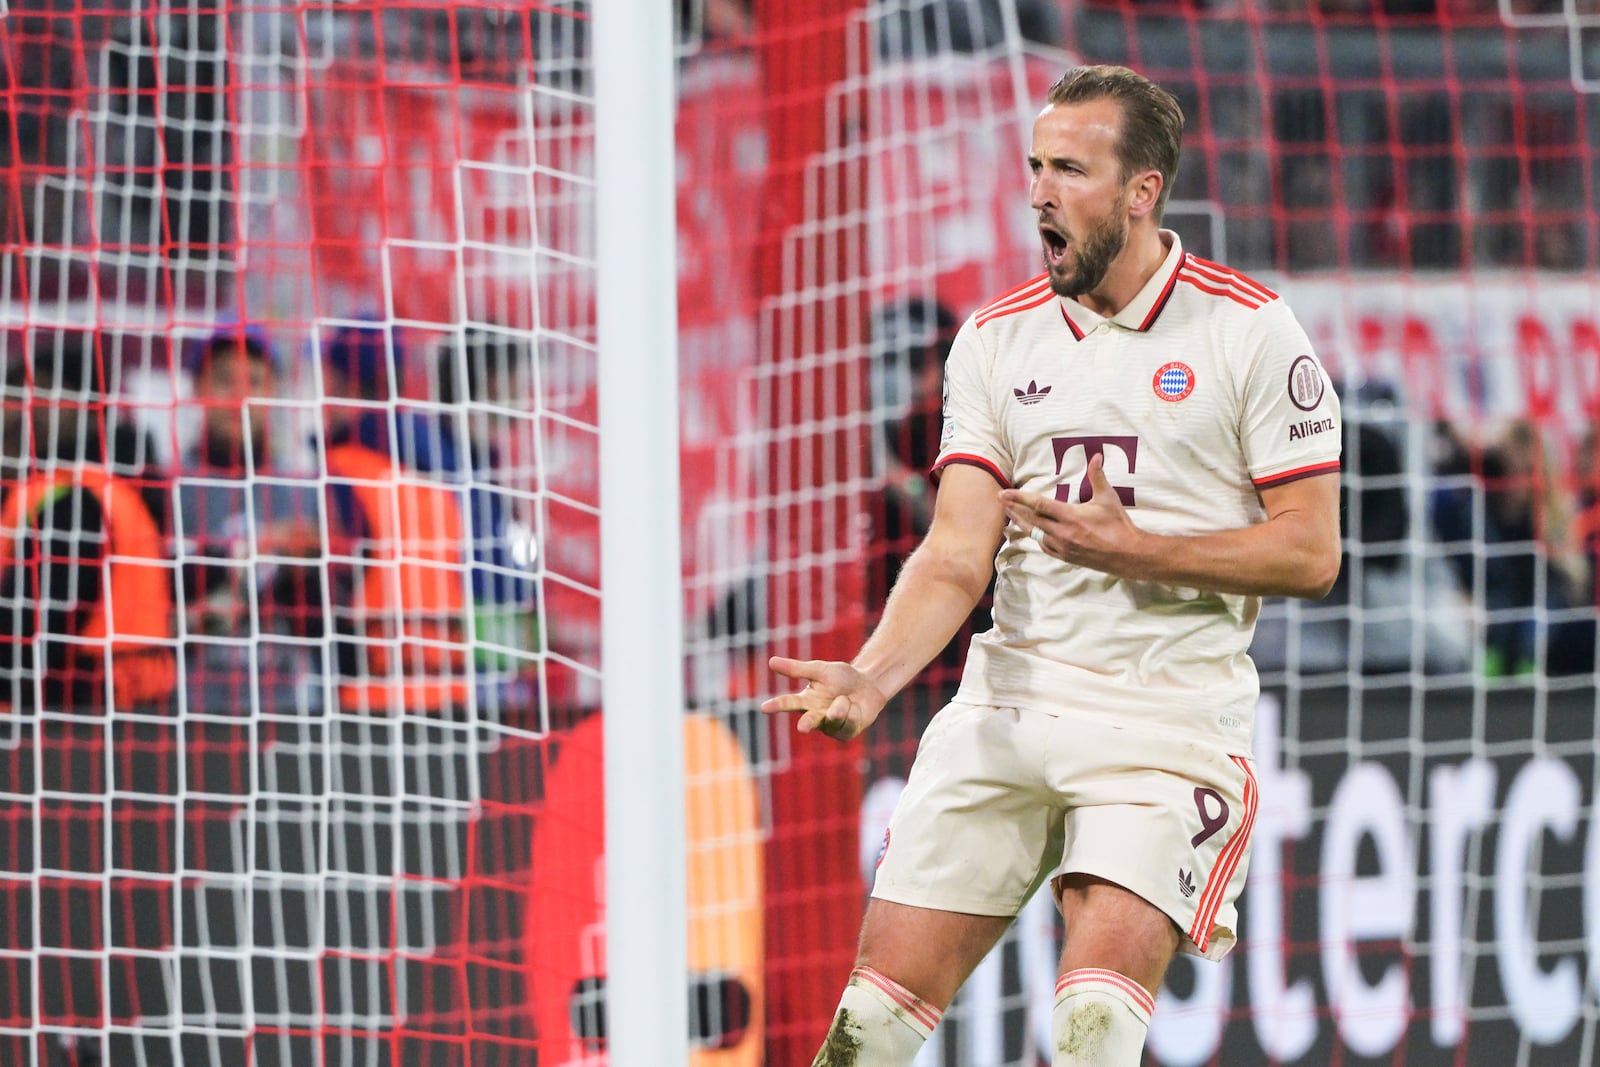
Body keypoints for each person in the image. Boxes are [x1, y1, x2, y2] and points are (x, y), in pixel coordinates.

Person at [762, 65, 1342, 1066]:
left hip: (1162, 728)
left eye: (1069, 168)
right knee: (864, 1033)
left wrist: (1138, 548)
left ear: (1140, 190)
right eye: (1034, 166)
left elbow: (1309, 549)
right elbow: (954, 552)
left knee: (1092, 1031)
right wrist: (873, 672)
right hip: (1008, 708)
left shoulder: (1246, 330)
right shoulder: (993, 339)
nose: (1039, 190)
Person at [0, 331, 176, 714]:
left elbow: (33, 629)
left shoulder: (74, 498)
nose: (22, 409)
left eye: (43, 393)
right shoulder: (107, 488)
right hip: (124, 716)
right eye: (15, 394)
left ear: (87, 407)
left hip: (74, 721)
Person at [175, 325, 330, 716]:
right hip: (194, 707)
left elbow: (323, 621)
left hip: (288, 706)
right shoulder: (170, 487)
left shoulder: (303, 490)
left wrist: (305, 571)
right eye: (225, 380)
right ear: (198, 387)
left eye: (255, 381)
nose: (239, 396)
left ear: (274, 390)